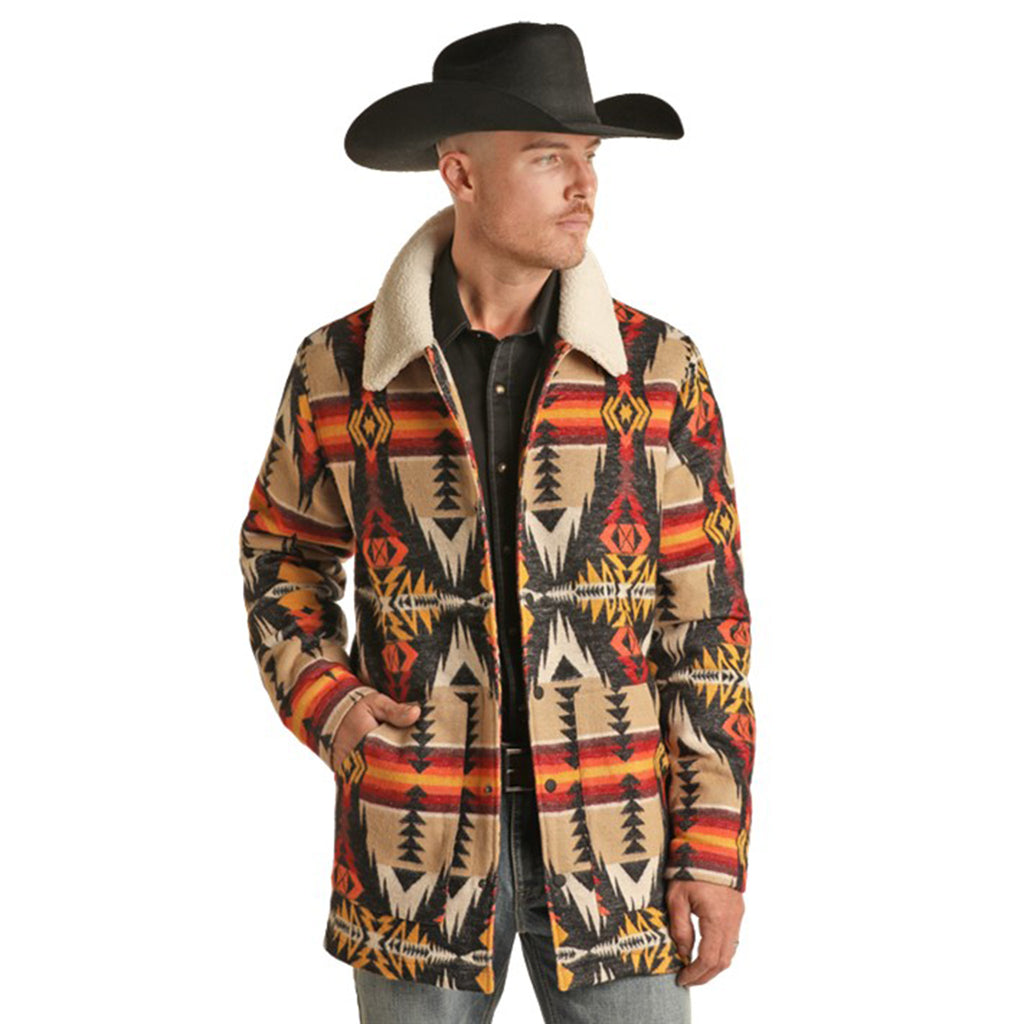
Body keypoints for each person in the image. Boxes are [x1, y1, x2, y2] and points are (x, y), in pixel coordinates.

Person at [239, 20, 755, 1024]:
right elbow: (280, 559)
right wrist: (333, 705)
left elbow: (708, 627)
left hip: (621, 849)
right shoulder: (340, 371)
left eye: (590, 156)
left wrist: (712, 848)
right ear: (461, 173)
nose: (584, 185)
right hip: (415, 844)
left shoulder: (657, 372)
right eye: (548, 156)